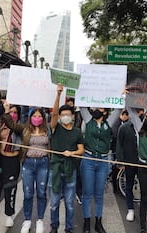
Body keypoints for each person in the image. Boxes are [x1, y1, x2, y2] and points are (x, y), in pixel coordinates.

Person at [1, 104, 50, 233]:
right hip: (28, 164)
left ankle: (40, 219)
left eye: (39, 116)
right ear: (30, 117)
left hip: (43, 164)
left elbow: (55, 115)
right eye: (34, 116)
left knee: (41, 193)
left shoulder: (48, 129)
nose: (37, 118)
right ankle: (27, 220)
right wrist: (6, 111)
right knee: (28, 194)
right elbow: (11, 124)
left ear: (43, 118)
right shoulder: (24, 129)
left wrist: (58, 94)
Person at [49, 84, 85, 233]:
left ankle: (69, 228)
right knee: (54, 203)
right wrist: (58, 95)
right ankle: (54, 227)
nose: (64, 117)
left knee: (70, 203)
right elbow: (54, 115)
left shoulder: (77, 132)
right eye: (62, 114)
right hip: (56, 169)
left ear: (72, 116)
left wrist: (72, 153)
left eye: (67, 114)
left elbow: (81, 150)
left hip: (71, 171)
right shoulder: (55, 127)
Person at [79, 106, 121, 233]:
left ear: (105, 111)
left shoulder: (109, 122)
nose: (97, 108)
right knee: (86, 193)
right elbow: (82, 105)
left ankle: (98, 222)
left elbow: (119, 109)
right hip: (88, 160)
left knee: (99, 194)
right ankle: (86, 221)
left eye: (100, 107)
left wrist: (122, 95)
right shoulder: (88, 120)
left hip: (103, 161)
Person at [0, 105, 22, 229]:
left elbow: (13, 126)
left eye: (15, 112)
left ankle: (9, 215)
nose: (12, 114)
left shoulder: (20, 127)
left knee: (10, 189)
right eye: (10, 112)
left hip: (12, 161)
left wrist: (7, 114)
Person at [116, 110, 138, 222]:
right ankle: (130, 209)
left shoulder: (145, 127)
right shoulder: (124, 128)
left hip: (143, 163)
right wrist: (121, 162)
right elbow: (119, 144)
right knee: (128, 186)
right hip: (129, 162)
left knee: (145, 187)